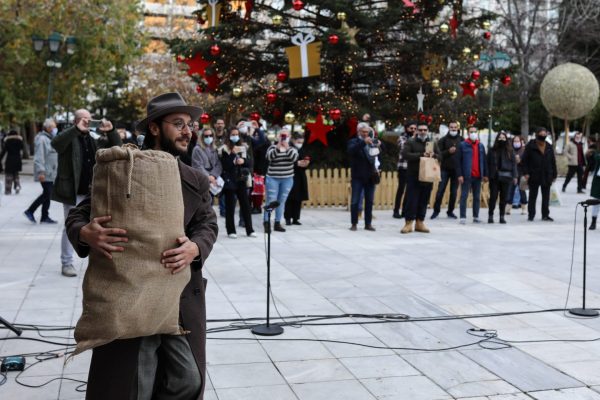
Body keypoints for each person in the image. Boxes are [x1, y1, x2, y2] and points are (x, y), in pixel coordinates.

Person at [65, 91, 218, 400]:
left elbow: (207, 223)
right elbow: (80, 214)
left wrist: (195, 247)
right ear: (154, 128)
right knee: (136, 380)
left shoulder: (194, 178)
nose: (188, 131)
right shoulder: (125, 168)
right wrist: (86, 233)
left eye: (190, 124)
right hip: (133, 293)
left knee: (188, 378)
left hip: (177, 295)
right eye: (178, 123)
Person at [51, 109, 122, 277]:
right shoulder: (68, 136)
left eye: (90, 119)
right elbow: (56, 143)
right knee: (72, 226)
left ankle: (92, 260)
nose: (88, 122)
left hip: (92, 191)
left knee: (94, 227)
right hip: (72, 191)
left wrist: (111, 131)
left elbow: (117, 148)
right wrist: (76, 129)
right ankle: (67, 263)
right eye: (84, 119)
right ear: (76, 120)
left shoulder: (93, 138)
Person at [401, 123, 439, 234]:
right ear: (417, 131)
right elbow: (405, 155)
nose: (422, 132)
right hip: (413, 176)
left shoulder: (431, 143)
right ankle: (408, 223)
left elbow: (440, 156)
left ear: (427, 131)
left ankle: (420, 222)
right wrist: (421, 155)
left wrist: (434, 155)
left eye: (425, 130)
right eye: (420, 130)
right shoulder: (411, 142)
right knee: (411, 200)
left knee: (424, 200)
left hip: (427, 177)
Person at [219, 127, 256, 238]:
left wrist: (243, 160)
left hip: (241, 179)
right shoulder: (224, 149)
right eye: (233, 134)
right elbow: (225, 165)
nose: (235, 136)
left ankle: (250, 230)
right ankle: (231, 230)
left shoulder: (243, 147)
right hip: (230, 180)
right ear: (229, 135)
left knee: (245, 205)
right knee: (230, 206)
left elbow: (249, 163)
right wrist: (232, 155)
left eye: (237, 134)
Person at [24, 118, 59, 224]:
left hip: (50, 172)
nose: (55, 128)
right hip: (45, 172)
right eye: (53, 127)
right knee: (48, 193)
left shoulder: (50, 138)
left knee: (48, 194)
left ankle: (44, 217)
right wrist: (41, 172)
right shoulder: (42, 139)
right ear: (48, 128)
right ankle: (30, 211)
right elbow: (39, 157)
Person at [264, 128, 299, 232]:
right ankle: (266, 222)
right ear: (278, 137)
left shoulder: (292, 149)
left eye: (286, 136)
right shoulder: (272, 147)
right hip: (273, 178)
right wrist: (278, 147)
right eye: (282, 135)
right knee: (271, 201)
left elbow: (294, 158)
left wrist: (287, 148)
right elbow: (269, 157)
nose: (283, 138)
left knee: (281, 202)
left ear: (289, 137)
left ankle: (277, 223)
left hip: (287, 179)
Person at [348, 122, 380, 232]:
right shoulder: (353, 141)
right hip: (358, 176)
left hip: (370, 176)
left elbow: (381, 152)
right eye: (363, 132)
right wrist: (362, 142)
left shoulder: (372, 141)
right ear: (359, 132)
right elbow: (351, 151)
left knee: (370, 201)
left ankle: (368, 224)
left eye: (367, 132)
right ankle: (354, 223)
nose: (366, 134)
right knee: (355, 201)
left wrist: (379, 144)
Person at [521, 127, 557, 221]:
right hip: (534, 174)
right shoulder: (530, 145)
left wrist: (554, 174)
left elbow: (553, 161)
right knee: (533, 196)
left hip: (547, 174)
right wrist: (526, 173)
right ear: (537, 134)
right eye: (541, 133)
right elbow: (524, 161)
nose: (543, 135)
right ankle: (531, 215)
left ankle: (545, 215)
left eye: (545, 134)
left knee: (546, 197)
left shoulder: (549, 146)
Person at [456, 126, 488, 224]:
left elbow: (484, 161)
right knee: (464, 196)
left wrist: (485, 174)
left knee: (477, 197)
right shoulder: (462, 145)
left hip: (478, 176)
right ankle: (462, 217)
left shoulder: (481, 146)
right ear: (468, 133)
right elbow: (457, 161)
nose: (473, 133)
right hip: (466, 176)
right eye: (471, 132)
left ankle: (476, 216)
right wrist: (459, 175)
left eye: (475, 131)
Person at [431, 121, 462, 220]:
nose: (453, 129)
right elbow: (438, 154)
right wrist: (448, 152)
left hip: (456, 170)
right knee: (440, 191)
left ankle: (450, 211)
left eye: (455, 127)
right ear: (449, 128)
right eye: (451, 127)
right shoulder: (443, 140)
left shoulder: (462, 140)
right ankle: (436, 211)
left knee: (454, 192)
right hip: (444, 169)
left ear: (457, 128)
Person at [487, 131, 517, 224]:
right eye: (500, 137)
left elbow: (514, 164)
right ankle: (490, 216)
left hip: (506, 177)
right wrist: (487, 175)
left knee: (504, 198)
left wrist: (515, 176)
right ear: (497, 139)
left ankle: (501, 216)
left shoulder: (510, 151)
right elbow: (487, 163)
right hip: (494, 177)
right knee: (493, 197)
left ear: (506, 139)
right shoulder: (492, 150)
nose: (502, 139)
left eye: (503, 138)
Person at [284, 133, 310, 225]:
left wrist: (306, 163)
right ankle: (288, 218)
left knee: (298, 198)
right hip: (290, 175)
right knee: (289, 198)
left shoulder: (302, 149)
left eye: (302, 142)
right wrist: (296, 164)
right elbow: (286, 161)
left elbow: (306, 157)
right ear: (293, 140)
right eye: (298, 142)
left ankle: (296, 218)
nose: (300, 144)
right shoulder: (288, 148)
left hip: (300, 175)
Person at [393, 121, 416, 219]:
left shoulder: (416, 140)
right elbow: (404, 149)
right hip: (403, 167)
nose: (413, 130)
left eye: (415, 129)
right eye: (411, 128)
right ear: (406, 128)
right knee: (401, 189)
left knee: (409, 190)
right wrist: (413, 139)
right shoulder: (402, 138)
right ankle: (396, 210)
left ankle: (405, 210)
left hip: (412, 168)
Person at [192, 127, 223, 197]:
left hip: (214, 180)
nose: (209, 137)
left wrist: (213, 176)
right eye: (206, 136)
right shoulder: (197, 149)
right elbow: (197, 166)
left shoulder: (214, 148)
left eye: (210, 135)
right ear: (202, 137)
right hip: (202, 180)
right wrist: (208, 177)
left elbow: (218, 164)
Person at [508, 135, 528, 215]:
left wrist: (520, 161)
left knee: (522, 191)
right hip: (512, 173)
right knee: (510, 191)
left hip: (521, 173)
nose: (516, 143)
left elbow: (527, 163)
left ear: (521, 142)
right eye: (515, 141)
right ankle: (508, 208)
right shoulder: (510, 150)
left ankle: (524, 208)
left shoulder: (524, 151)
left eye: (518, 141)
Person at [1, 129, 24, 195]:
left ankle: (8, 190)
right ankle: (17, 186)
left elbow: (4, 151)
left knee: (8, 175)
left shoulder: (7, 141)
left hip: (9, 160)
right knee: (16, 174)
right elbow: (22, 148)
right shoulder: (19, 141)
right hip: (17, 159)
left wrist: (0, 158)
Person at [588, 144, 599, 230]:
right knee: (596, 202)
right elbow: (594, 158)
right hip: (598, 181)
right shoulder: (597, 154)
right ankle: (593, 222)